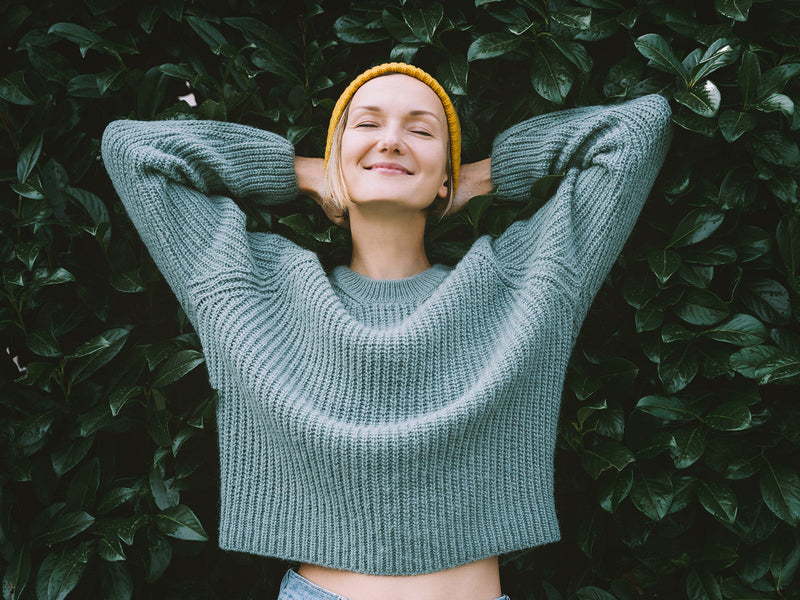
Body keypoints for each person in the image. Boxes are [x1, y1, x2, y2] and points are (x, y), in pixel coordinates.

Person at [101, 62, 672, 600]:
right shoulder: (252, 289)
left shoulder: (521, 284)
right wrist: (302, 171)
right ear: (336, 157)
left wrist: (482, 174)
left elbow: (637, 130)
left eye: (421, 131)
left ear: (445, 178)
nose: (392, 140)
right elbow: (132, 152)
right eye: (368, 124)